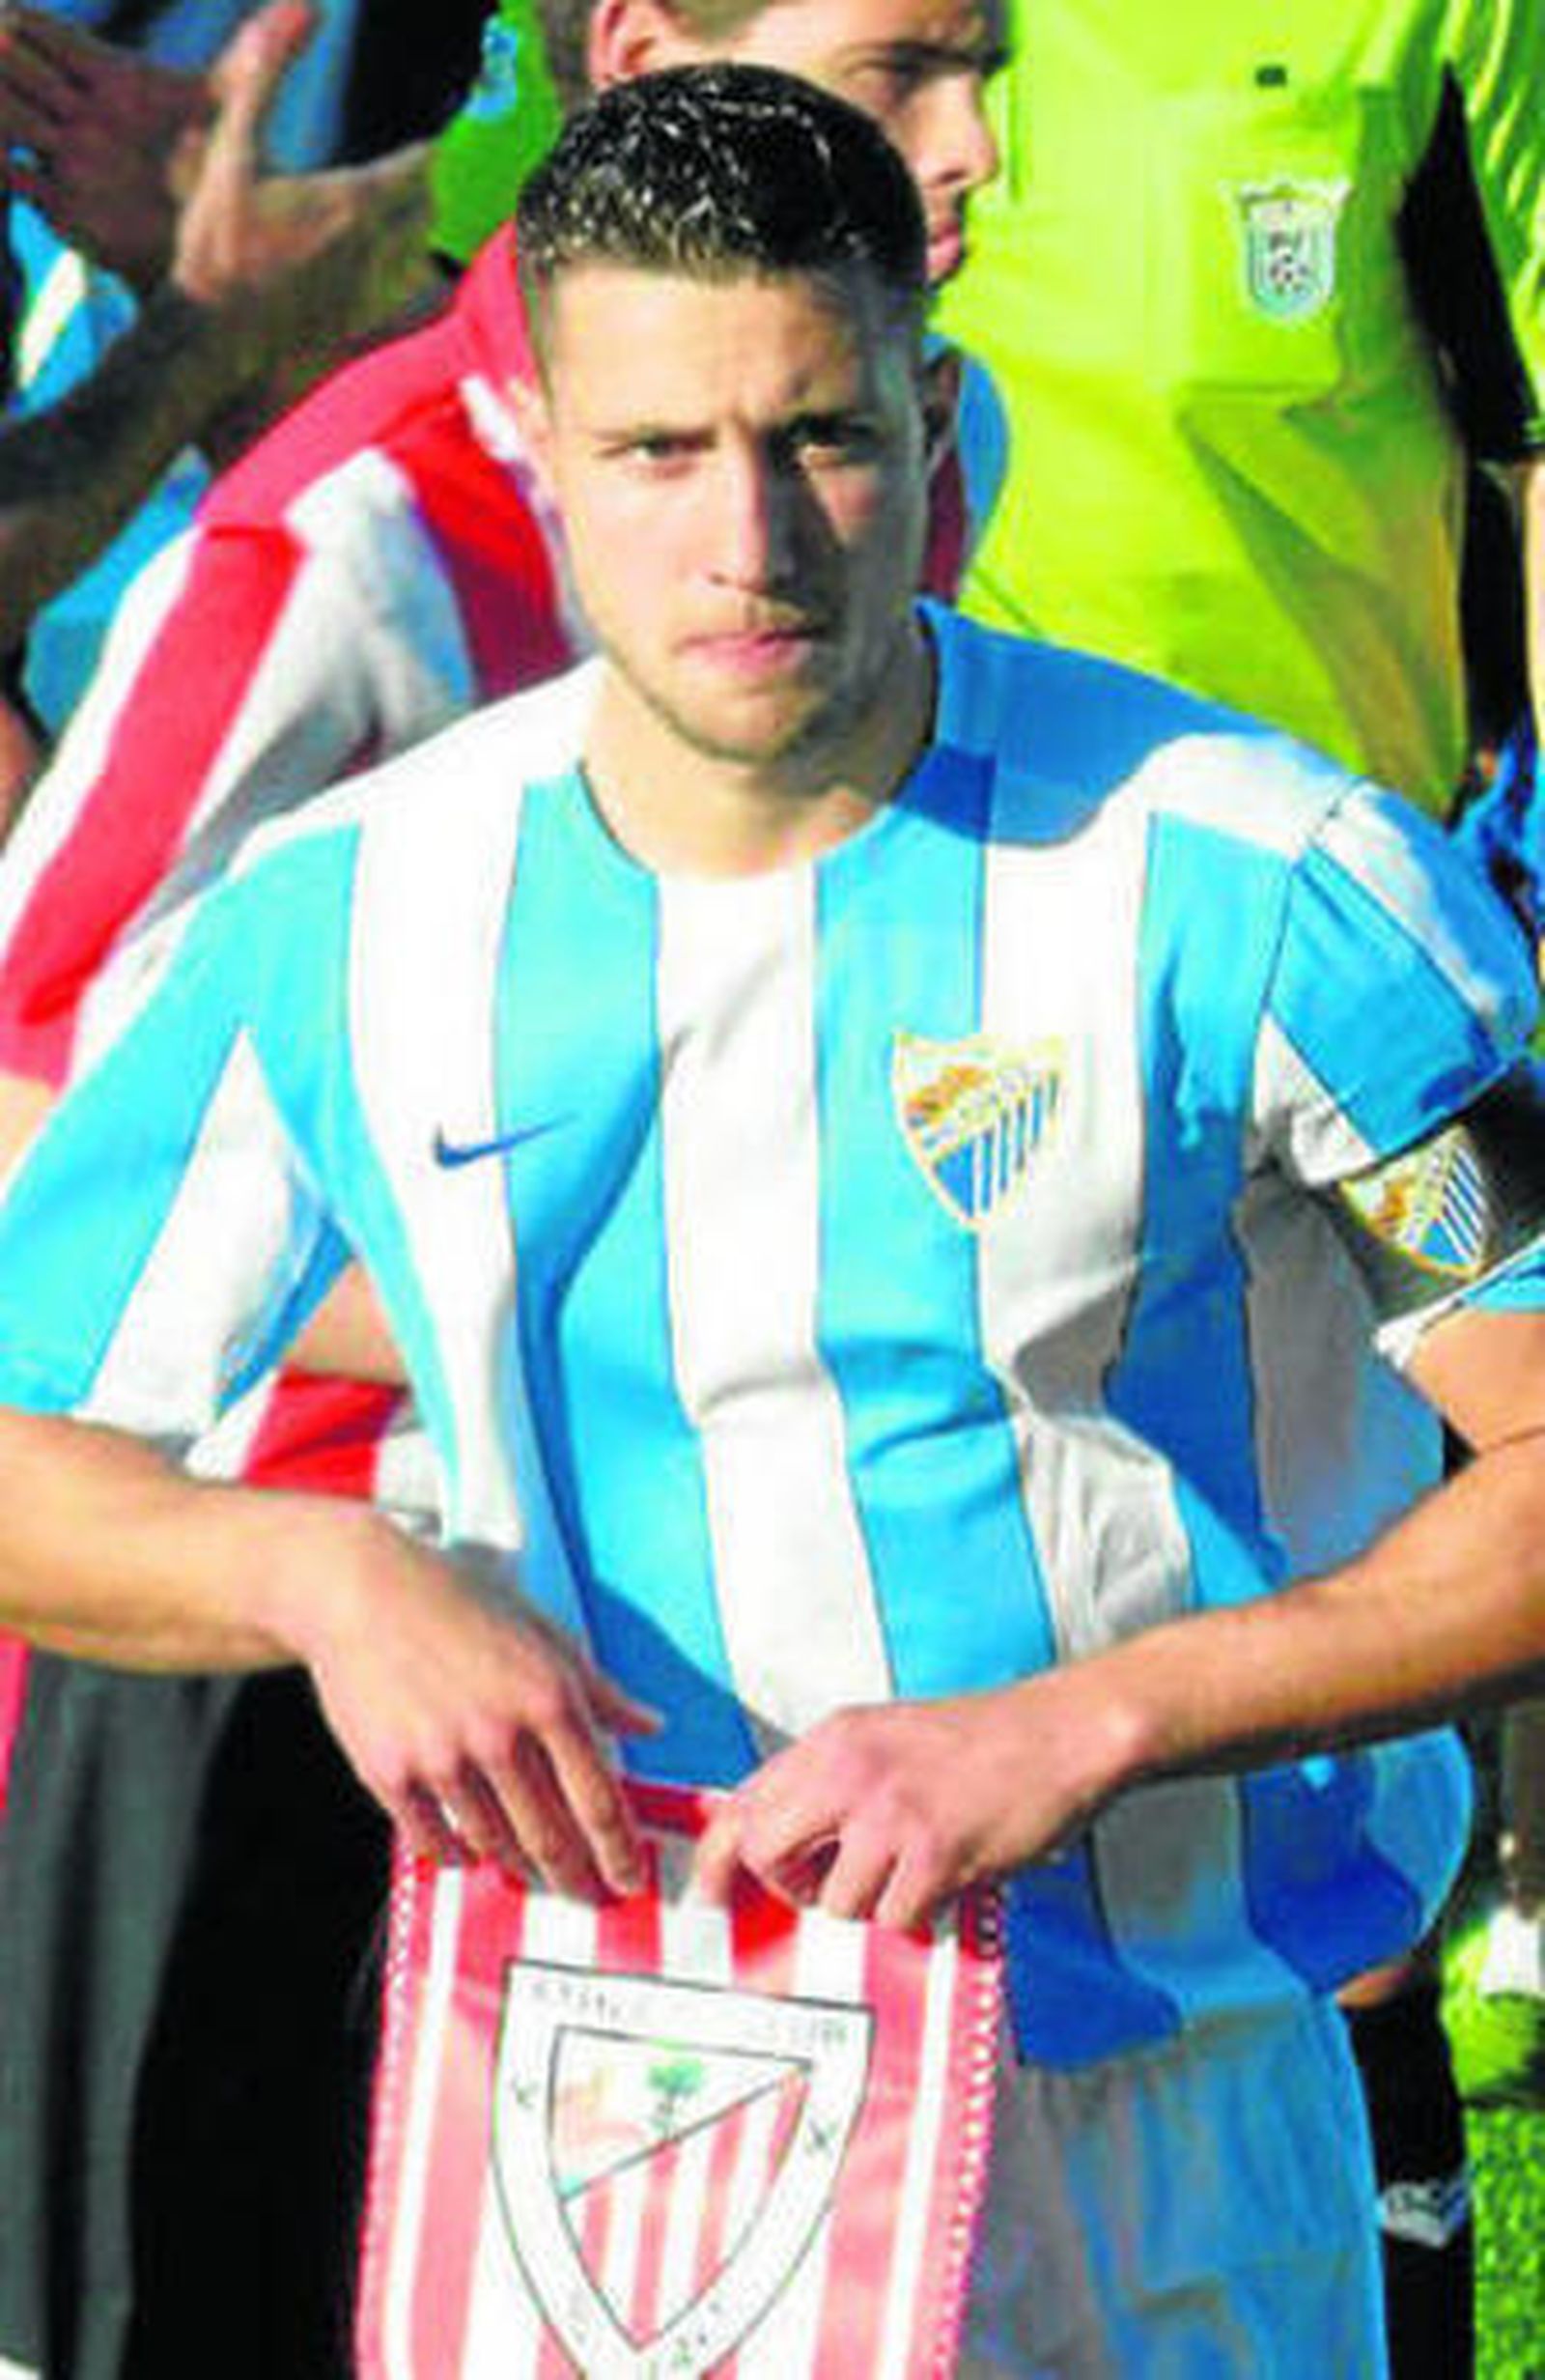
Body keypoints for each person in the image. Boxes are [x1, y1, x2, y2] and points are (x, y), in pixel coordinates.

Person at [6, 64, 1545, 2369]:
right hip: (590, 2141)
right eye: (653, 452)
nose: (747, 535)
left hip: (1154, 2160)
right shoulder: (346, 916)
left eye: (818, 432)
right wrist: (318, 1569)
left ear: (932, 413)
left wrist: (1095, 1717)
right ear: (535, 433)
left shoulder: (1269, 884)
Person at [0, 14, 1002, 2377]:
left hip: (764, 1733)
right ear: (644, 54)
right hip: (318, 1719)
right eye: (904, 62)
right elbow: (24, 1089)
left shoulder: (923, 484)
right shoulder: (346, 545)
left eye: (993, 61)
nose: (975, 148)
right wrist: (518, 1308)